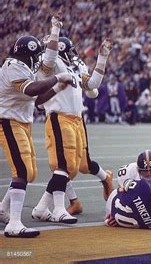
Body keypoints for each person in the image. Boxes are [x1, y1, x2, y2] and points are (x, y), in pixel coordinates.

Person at [31, 16, 114, 223]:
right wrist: (55, 29)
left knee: (78, 165)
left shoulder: (74, 67)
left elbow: (93, 84)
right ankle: (58, 208)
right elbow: (49, 59)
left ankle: (43, 208)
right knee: (65, 166)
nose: (74, 55)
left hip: (77, 119)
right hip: (59, 117)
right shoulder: (51, 63)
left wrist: (103, 58)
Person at [0, 33, 73, 237]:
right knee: (22, 170)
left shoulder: (21, 67)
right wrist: (57, 77)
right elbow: (31, 90)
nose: (39, 58)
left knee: (29, 172)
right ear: (28, 53)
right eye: (37, 54)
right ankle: (14, 224)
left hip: (21, 122)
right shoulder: (12, 65)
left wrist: (58, 87)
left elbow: (38, 101)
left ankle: (3, 209)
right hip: (8, 121)